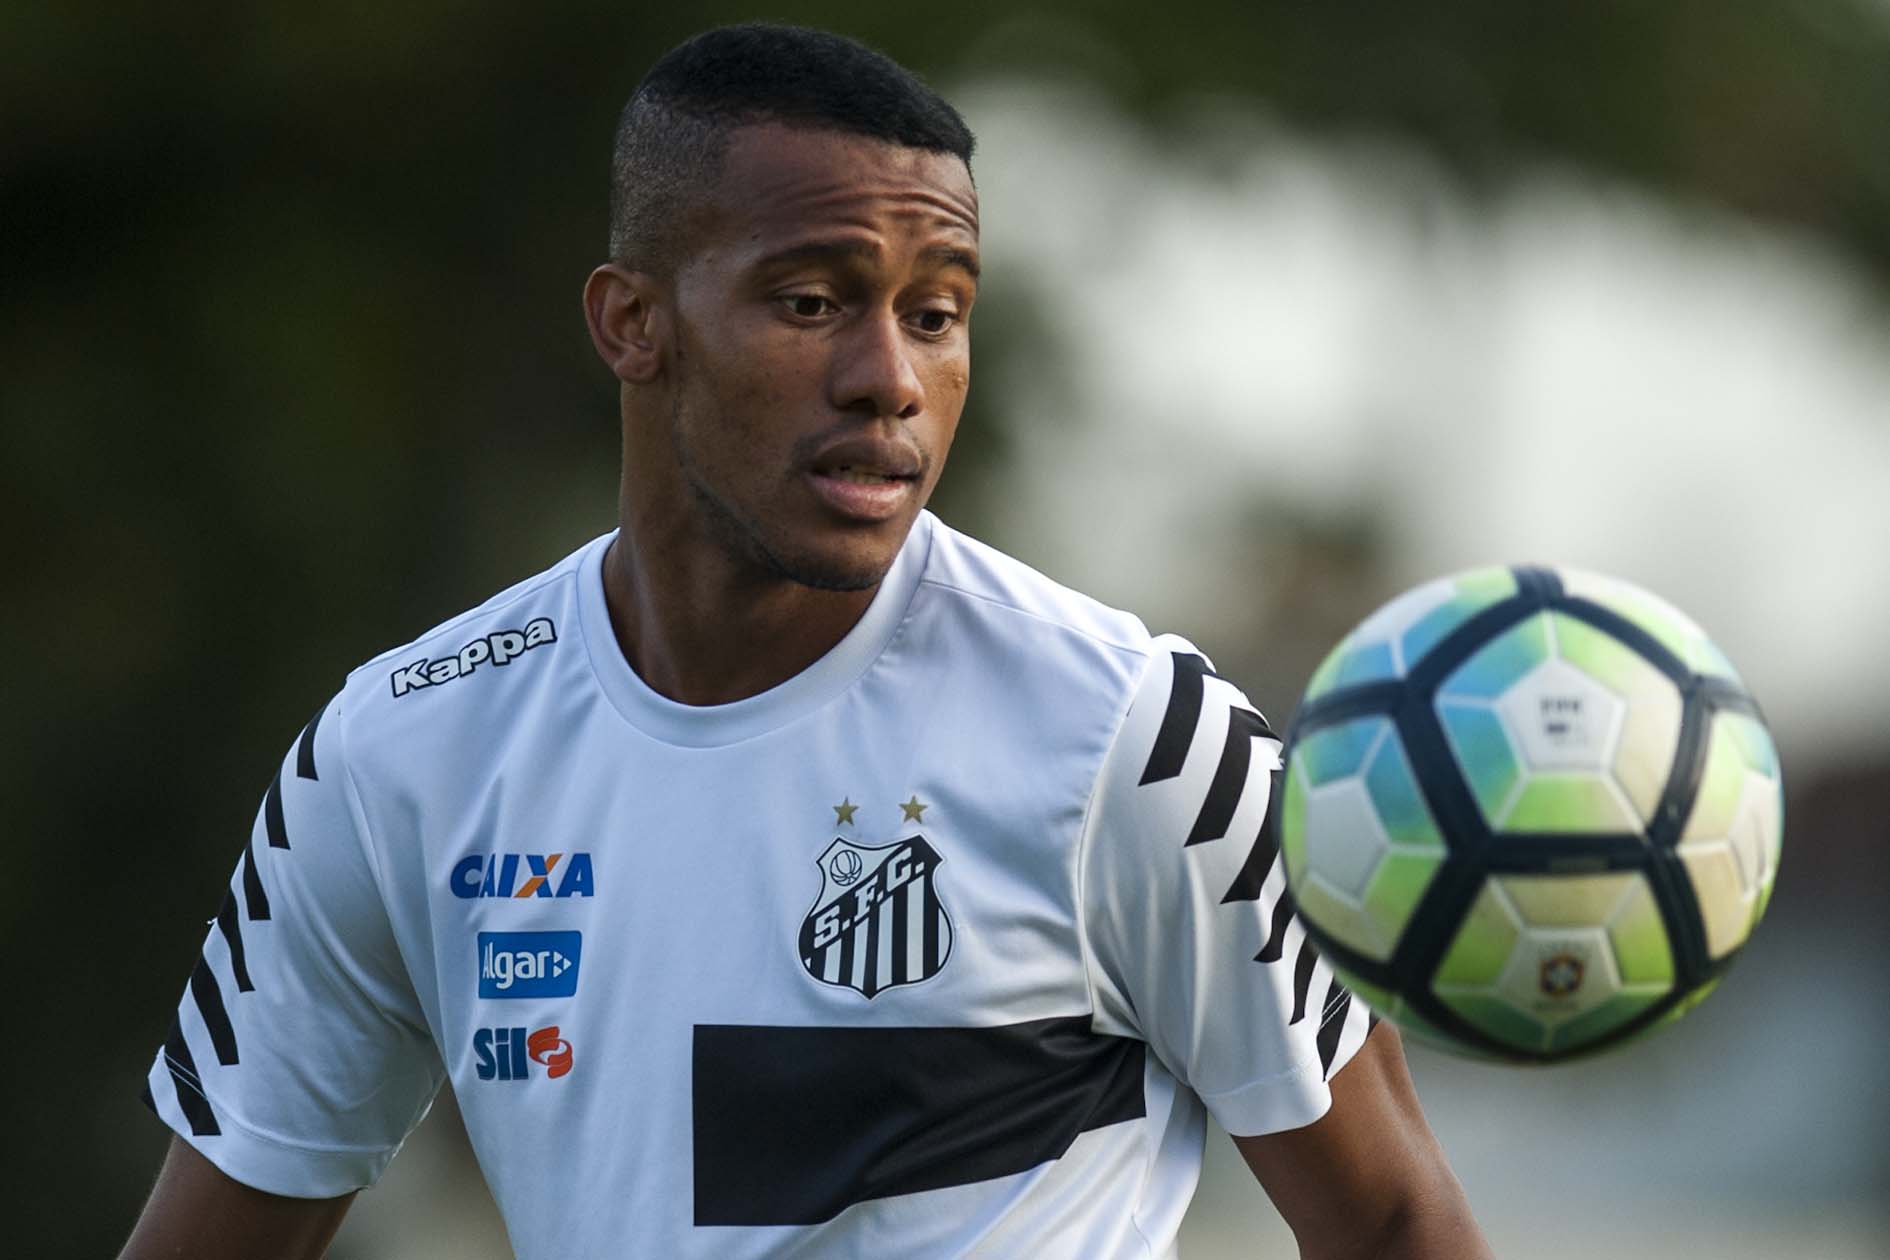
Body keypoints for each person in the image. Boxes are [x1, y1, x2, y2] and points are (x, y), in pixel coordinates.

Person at [121, 23, 1490, 1260]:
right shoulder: (395, 757)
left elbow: (1392, 1220)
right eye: (812, 302)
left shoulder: (1138, 737)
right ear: (633, 323)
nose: (889, 379)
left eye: (935, 315)